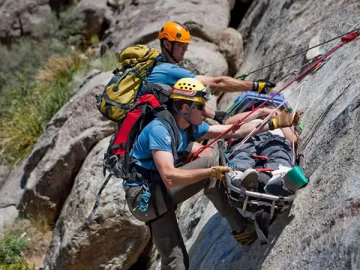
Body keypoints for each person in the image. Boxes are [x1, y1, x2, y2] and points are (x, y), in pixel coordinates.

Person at [124, 78, 297, 269]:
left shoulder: (188, 127)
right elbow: (170, 176)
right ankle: (241, 226)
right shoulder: (160, 130)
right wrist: (210, 172)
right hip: (145, 198)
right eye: (200, 106)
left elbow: (234, 131)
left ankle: (243, 230)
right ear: (184, 109)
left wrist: (275, 123)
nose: (204, 110)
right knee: (211, 161)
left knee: (176, 262)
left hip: (153, 200)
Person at [138, 21, 276, 123]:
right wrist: (255, 86)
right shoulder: (169, 71)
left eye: (186, 45)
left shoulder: (158, 66)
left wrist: (214, 115)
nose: (185, 49)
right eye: (180, 45)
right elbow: (217, 82)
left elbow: (182, 100)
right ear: (167, 45)